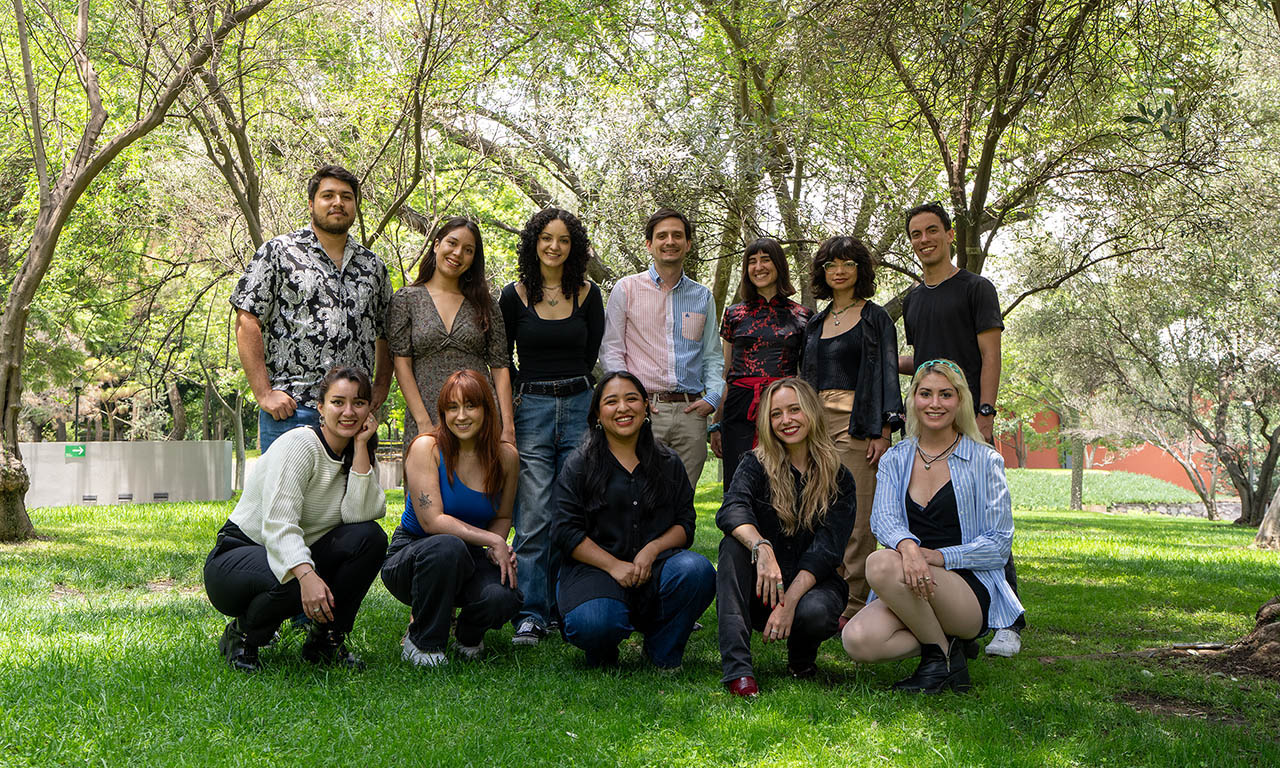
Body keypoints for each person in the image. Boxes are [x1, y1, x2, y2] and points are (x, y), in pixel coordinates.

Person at [841, 360, 1023, 693]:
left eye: (945, 394)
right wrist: (909, 549)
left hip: (966, 591)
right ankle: (945, 652)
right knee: (857, 640)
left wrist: (935, 557)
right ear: (912, 400)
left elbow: (998, 545)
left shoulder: (985, 460)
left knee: (880, 563)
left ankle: (942, 657)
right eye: (925, 394)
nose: (934, 403)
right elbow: (883, 520)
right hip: (907, 580)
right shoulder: (896, 458)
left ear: (960, 400)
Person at [897, 202, 1023, 657]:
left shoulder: (976, 288)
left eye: (932, 230)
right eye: (916, 234)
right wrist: (878, 361)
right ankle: (954, 616)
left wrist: (985, 414)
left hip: (968, 419)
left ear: (950, 235)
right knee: (934, 514)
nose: (924, 240)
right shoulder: (913, 299)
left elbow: (990, 355)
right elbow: (923, 359)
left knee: (987, 518)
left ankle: (1008, 622)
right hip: (926, 419)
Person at [204, 366, 387, 672]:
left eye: (358, 403)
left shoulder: (360, 453)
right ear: (320, 408)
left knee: (371, 538)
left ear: (369, 409)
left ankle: (325, 641)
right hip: (237, 559)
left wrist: (360, 449)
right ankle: (243, 636)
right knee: (290, 576)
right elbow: (279, 524)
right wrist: (306, 576)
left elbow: (360, 515)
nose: (348, 412)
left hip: (294, 551)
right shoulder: (301, 444)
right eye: (338, 402)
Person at [551, 371, 716, 669]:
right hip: (595, 572)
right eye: (611, 401)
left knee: (697, 570)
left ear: (646, 407)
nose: (623, 408)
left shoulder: (668, 462)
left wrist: (652, 550)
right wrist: (613, 565)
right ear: (598, 414)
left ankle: (661, 650)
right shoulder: (579, 464)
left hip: (654, 570)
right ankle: (602, 647)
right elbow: (564, 531)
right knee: (595, 622)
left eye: (631, 399)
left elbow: (685, 524)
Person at [499, 208, 605, 646]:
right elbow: (502, 359)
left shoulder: (588, 294)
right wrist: (510, 415)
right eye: (546, 238)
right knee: (534, 513)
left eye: (563, 239)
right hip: (532, 409)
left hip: (580, 406)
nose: (554, 246)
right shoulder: (514, 295)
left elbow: (590, 354)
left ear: (573, 246)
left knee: (572, 509)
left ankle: (566, 607)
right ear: (534, 242)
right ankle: (531, 612)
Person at [231, 165, 392, 452]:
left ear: (355, 206)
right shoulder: (278, 252)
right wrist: (264, 393)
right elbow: (247, 319)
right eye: (328, 195)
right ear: (311, 204)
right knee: (286, 484)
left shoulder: (373, 266)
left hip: (353, 416)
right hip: (292, 409)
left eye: (346, 197)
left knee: (355, 484)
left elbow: (386, 332)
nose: (338, 203)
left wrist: (380, 387)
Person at [715, 378, 855, 697]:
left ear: (811, 412)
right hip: (761, 588)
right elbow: (731, 509)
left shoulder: (839, 477)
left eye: (794, 410)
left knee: (816, 611)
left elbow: (827, 550)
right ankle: (738, 670)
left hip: (811, 588)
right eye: (776, 414)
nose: (786, 420)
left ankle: (801, 660)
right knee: (731, 548)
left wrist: (789, 603)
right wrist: (761, 547)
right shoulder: (755, 464)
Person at [380, 370, 522, 667]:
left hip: (470, 556)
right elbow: (432, 521)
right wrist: (493, 540)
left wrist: (495, 550)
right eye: (452, 407)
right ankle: (423, 643)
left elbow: (503, 515)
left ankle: (468, 636)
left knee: (504, 595)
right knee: (447, 546)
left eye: (470, 406)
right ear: (443, 413)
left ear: (486, 409)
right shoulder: (426, 447)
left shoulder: (506, 457)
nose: (461, 416)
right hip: (415, 556)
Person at [799, 236, 903, 622]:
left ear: (861, 270)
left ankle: (854, 603)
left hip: (857, 424)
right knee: (817, 512)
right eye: (831, 264)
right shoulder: (815, 323)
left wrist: (883, 430)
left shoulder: (876, 319)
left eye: (847, 263)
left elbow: (887, 374)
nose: (839, 271)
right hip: (813, 428)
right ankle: (824, 594)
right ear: (822, 272)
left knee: (857, 517)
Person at [599, 208, 724, 489]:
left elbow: (712, 356)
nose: (670, 241)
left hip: (691, 413)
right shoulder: (626, 289)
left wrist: (713, 397)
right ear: (649, 244)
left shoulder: (702, 296)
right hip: (644, 413)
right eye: (662, 236)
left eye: (677, 235)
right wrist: (630, 399)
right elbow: (612, 350)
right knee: (637, 496)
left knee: (683, 501)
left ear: (688, 244)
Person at [388, 217, 514, 449]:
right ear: (437, 245)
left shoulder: (485, 304)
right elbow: (401, 364)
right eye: (452, 243)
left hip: (479, 416)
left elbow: (500, 366)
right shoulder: (406, 300)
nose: (458, 254)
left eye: (468, 250)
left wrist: (508, 427)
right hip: (426, 413)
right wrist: (424, 423)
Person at [710, 238, 812, 488]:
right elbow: (725, 372)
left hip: (784, 408)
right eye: (752, 262)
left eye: (765, 260)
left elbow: (806, 375)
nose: (758, 267)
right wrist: (716, 423)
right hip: (739, 408)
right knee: (739, 481)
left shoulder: (802, 316)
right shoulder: (733, 314)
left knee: (785, 480)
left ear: (778, 265)